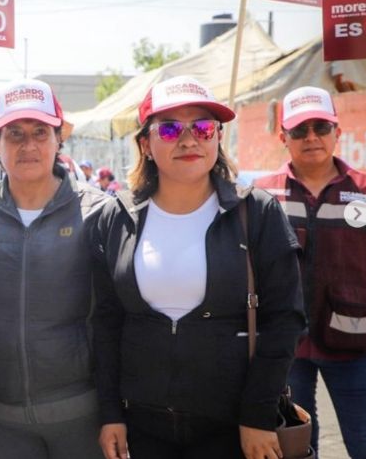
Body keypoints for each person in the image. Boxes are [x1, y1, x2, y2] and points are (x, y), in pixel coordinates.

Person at [89, 76, 305, 459]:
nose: (189, 140)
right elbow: (105, 323)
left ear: (218, 138)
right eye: (170, 129)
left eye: (203, 128)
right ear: (145, 144)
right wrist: (110, 413)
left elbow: (285, 319)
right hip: (143, 426)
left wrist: (256, 415)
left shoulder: (257, 212)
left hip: (232, 427)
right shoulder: (115, 218)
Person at [0, 79, 106, 458]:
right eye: (14, 134)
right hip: (0, 419)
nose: (28, 145)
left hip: (83, 416)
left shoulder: (98, 214)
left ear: (59, 139)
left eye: (40, 132)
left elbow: (116, 316)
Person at [254, 87, 366, 458]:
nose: (311, 138)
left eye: (321, 127)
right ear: (282, 137)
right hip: (283, 349)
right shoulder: (262, 195)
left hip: (357, 348)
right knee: (294, 447)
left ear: (337, 132)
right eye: (299, 130)